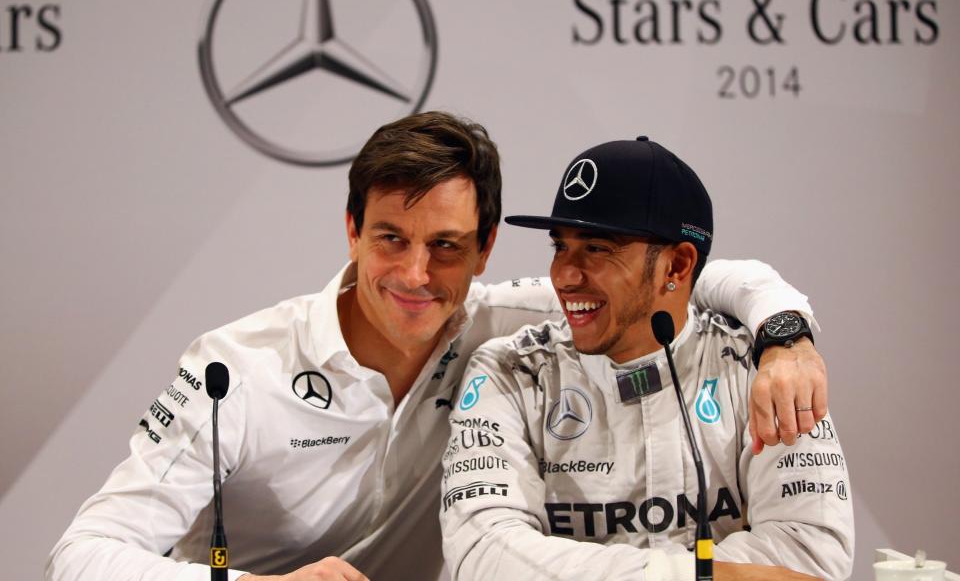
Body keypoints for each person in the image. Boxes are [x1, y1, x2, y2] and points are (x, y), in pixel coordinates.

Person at [47, 113, 830, 581]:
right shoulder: (235, 367)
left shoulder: (506, 323)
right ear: (352, 231)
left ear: (487, 246)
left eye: (447, 246)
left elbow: (683, 278)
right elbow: (82, 555)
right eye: (391, 238)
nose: (417, 276)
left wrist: (784, 332)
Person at [439, 137, 854, 580]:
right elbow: (485, 556)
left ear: (676, 267)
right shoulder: (509, 369)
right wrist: (698, 574)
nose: (564, 274)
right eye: (559, 246)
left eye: (597, 248)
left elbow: (812, 558)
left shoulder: (761, 369)